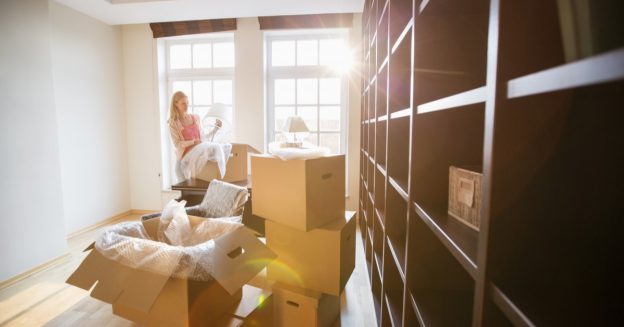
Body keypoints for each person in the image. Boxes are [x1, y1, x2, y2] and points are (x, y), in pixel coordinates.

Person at [168, 91, 222, 181]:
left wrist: (215, 129)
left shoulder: (195, 118)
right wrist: (193, 142)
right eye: (183, 103)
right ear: (175, 104)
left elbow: (203, 138)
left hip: (197, 161)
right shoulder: (173, 123)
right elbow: (177, 144)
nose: (186, 106)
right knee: (186, 193)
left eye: (187, 103)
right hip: (183, 164)